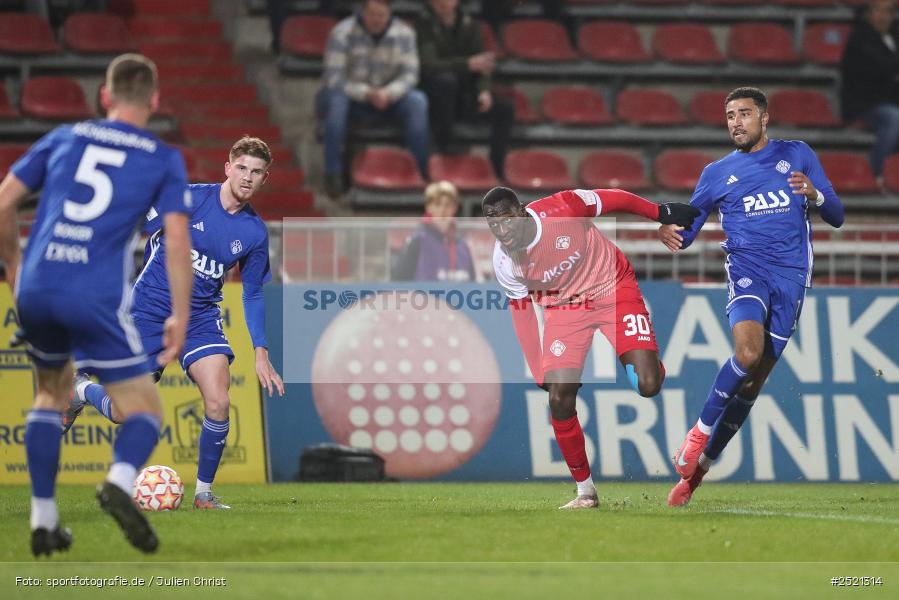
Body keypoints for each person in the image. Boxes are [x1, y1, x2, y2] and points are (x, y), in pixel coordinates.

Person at [0, 53, 193, 556]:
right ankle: (120, 482)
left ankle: (44, 521)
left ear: (104, 96)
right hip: (94, 294)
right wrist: (181, 313)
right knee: (145, 409)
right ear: (154, 100)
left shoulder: (65, 137)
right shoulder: (161, 157)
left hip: (38, 286)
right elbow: (176, 242)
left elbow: (3, 202)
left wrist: (15, 268)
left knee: (50, 394)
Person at [64, 136, 286, 510]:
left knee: (218, 401)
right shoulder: (188, 198)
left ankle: (203, 493)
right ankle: (81, 391)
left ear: (266, 178)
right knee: (122, 413)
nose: (248, 177)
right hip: (149, 313)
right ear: (228, 168)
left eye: (257, 172)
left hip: (199, 318)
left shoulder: (253, 233)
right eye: (243, 168)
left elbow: (252, 294)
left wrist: (260, 352)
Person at [659, 87, 845, 507]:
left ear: (764, 117)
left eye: (744, 113)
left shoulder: (797, 154)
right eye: (729, 115)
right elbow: (687, 231)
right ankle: (699, 432)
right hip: (747, 271)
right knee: (746, 354)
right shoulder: (716, 173)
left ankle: (696, 475)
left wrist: (814, 195)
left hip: (792, 278)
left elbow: (836, 214)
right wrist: (668, 228)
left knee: (754, 382)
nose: (735, 122)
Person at [483, 185, 700, 509]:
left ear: (522, 210)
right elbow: (521, 310)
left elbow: (614, 198)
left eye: (508, 220)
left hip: (612, 287)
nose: (503, 231)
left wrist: (659, 213)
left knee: (648, 384)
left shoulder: (562, 209)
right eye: (494, 225)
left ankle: (649, 362)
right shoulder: (504, 262)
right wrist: (537, 364)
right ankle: (586, 492)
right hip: (564, 310)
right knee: (558, 398)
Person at [319, 0, 429, 197]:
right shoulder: (342, 32)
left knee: (418, 101)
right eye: (372, 15)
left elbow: (410, 75)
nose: (377, 20)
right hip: (352, 97)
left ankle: (419, 170)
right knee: (336, 102)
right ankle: (332, 172)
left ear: (389, 14)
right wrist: (366, 93)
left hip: (389, 98)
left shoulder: (405, 33)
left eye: (381, 15)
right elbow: (334, 78)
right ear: (362, 12)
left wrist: (388, 93)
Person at [417, 0, 515, 180]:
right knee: (447, 81)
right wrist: (467, 64)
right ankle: (443, 153)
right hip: (436, 100)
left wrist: (484, 90)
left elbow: (482, 62)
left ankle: (496, 168)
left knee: (505, 109)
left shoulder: (468, 22)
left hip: (465, 96)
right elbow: (429, 65)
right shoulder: (423, 23)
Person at [840, 0, 899, 189]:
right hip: (865, 104)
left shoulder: (894, 36)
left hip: (891, 99)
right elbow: (874, 73)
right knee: (893, 118)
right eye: (878, 11)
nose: (883, 16)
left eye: (888, 12)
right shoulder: (859, 38)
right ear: (868, 13)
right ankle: (876, 173)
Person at [392, 180, 477, 281]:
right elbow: (399, 281)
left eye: (447, 205)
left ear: (455, 208)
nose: (442, 210)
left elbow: (472, 284)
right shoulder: (417, 241)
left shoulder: (463, 247)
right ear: (428, 207)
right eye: (437, 204)